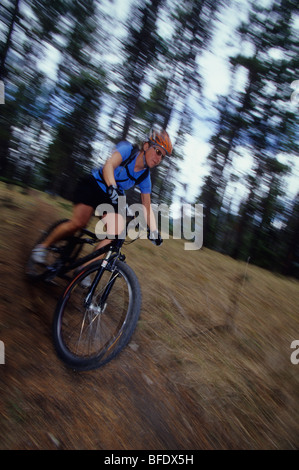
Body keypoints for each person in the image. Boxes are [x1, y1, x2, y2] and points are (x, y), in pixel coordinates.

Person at [31, 128, 173, 265]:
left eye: (162, 156)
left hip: (112, 197)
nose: (158, 158)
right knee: (78, 223)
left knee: (116, 234)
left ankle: (85, 269)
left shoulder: (145, 177)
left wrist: (154, 231)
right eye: (157, 151)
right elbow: (109, 166)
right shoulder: (128, 150)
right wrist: (112, 187)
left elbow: (146, 206)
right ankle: (42, 247)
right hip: (94, 185)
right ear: (146, 146)